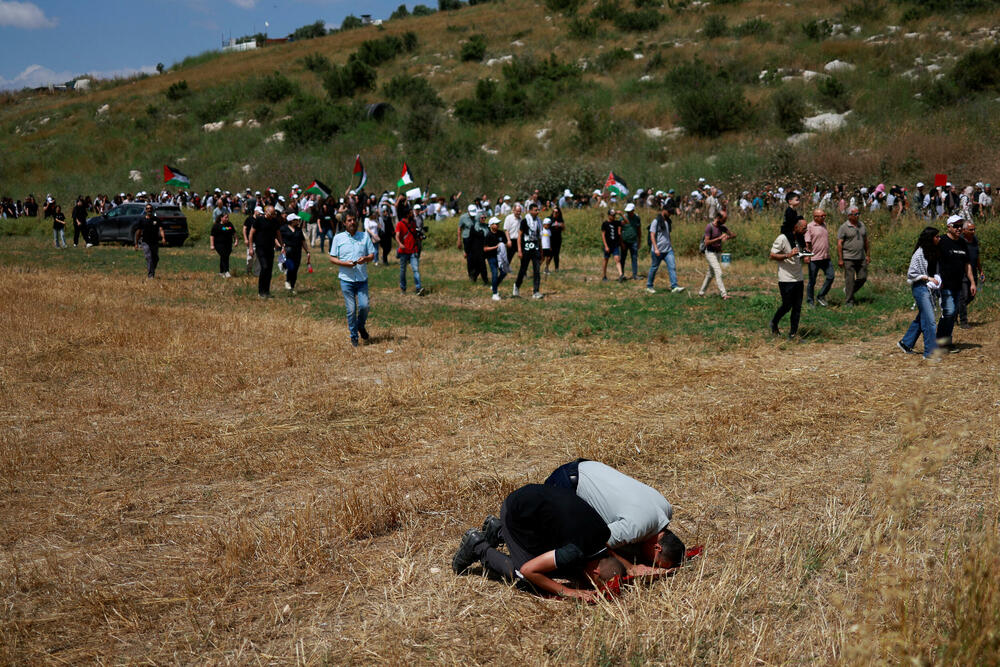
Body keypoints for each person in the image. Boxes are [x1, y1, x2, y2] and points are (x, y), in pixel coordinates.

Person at [451, 484, 626, 602]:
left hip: (536, 505)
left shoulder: (604, 532)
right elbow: (529, 570)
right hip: (516, 513)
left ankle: (499, 531)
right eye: (593, 582)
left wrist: (628, 567)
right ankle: (478, 546)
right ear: (595, 571)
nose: (589, 584)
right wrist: (570, 592)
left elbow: (607, 550)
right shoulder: (575, 551)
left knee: (560, 566)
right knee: (527, 580)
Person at [544, 460, 685, 571]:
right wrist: (630, 567)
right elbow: (596, 542)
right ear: (657, 548)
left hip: (589, 466)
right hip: (566, 481)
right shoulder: (635, 528)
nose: (651, 564)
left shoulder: (666, 509)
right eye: (655, 563)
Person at [329, 213, 376, 347]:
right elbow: (332, 258)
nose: (352, 222)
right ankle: (354, 336)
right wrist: (344, 263)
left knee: (364, 306)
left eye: (354, 220)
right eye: (349, 220)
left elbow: (372, 255)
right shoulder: (338, 238)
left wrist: (366, 259)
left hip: (361, 279)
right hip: (346, 279)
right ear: (344, 223)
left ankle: (360, 326)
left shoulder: (364, 236)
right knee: (351, 309)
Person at [898, 227, 942, 359]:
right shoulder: (919, 254)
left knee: (923, 317)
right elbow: (911, 273)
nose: (939, 238)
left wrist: (938, 279)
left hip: (930, 288)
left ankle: (906, 343)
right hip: (920, 288)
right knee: (930, 321)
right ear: (930, 238)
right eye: (937, 236)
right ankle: (929, 353)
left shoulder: (935, 251)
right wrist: (928, 278)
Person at [936, 215, 977, 351]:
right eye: (956, 226)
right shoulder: (941, 241)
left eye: (960, 226)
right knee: (949, 311)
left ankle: (946, 342)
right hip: (944, 284)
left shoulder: (962, 243)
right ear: (949, 227)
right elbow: (931, 259)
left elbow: (967, 264)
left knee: (952, 314)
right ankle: (940, 341)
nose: (959, 228)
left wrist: (972, 282)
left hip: (958, 284)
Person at [769, 216, 808, 338]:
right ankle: (774, 323)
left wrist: (806, 255)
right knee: (787, 305)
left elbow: (799, 254)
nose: (806, 230)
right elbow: (772, 255)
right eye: (804, 228)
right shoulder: (783, 238)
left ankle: (793, 334)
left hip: (798, 278)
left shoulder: (800, 238)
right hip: (786, 279)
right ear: (795, 227)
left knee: (797, 307)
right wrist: (788, 255)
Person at [646, 203, 683, 294]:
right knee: (654, 268)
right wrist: (656, 248)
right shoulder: (656, 221)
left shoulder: (668, 221)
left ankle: (674, 286)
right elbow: (652, 235)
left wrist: (670, 244)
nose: (670, 214)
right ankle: (649, 286)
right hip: (657, 250)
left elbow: (667, 235)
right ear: (664, 210)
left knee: (672, 267)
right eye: (669, 212)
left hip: (668, 250)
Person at [837, 207, 869, 307]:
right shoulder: (844, 227)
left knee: (863, 277)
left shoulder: (862, 225)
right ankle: (849, 301)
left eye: (858, 213)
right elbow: (839, 243)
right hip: (848, 258)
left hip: (861, 257)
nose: (858, 215)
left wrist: (867, 254)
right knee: (849, 280)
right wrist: (840, 259)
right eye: (855, 214)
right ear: (849, 216)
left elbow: (866, 241)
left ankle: (848, 291)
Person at [698, 210, 735, 299]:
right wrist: (719, 238)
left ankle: (701, 292)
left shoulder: (722, 227)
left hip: (718, 253)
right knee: (718, 271)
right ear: (718, 218)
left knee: (710, 274)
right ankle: (724, 294)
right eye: (724, 219)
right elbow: (706, 242)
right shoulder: (709, 227)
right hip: (710, 253)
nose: (725, 221)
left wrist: (727, 237)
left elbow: (734, 235)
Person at [248, 205, 281, 298]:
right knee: (264, 267)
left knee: (269, 270)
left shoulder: (275, 221)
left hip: (270, 248)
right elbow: (251, 233)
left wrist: (282, 245)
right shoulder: (259, 220)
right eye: (271, 214)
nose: (273, 215)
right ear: (266, 212)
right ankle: (261, 291)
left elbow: (278, 234)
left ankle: (267, 291)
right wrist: (250, 247)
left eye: (274, 214)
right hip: (260, 247)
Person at [804, 208, 835, 307]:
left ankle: (821, 296)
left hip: (825, 257)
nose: (824, 217)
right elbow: (807, 243)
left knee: (831, 276)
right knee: (812, 281)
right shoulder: (809, 227)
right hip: (814, 258)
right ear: (815, 217)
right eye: (822, 216)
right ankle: (810, 301)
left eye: (824, 215)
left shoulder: (824, 225)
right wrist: (806, 256)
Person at [514, 202, 543, 299]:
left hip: (535, 247)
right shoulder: (525, 221)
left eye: (538, 210)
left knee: (537, 270)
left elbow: (539, 238)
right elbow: (519, 235)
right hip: (526, 246)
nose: (537, 212)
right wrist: (519, 250)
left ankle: (536, 291)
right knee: (523, 269)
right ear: (530, 211)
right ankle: (517, 285)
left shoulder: (539, 221)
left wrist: (541, 251)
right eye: (535, 210)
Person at [957, 221, 981, 329]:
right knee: (963, 296)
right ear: (964, 230)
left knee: (971, 296)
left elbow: (977, 256)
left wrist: (981, 270)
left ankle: (954, 312)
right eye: (971, 230)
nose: (973, 231)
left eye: (974, 229)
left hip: (974, 272)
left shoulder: (975, 240)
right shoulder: (960, 241)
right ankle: (963, 322)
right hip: (962, 272)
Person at [279, 213, 310, 292]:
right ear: (292, 221)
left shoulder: (299, 230)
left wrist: (307, 251)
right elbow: (277, 238)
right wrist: (281, 246)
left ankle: (292, 287)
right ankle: (287, 281)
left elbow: (303, 241)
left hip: (297, 251)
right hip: (288, 251)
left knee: (295, 269)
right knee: (291, 267)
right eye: (296, 220)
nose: (298, 221)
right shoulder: (283, 229)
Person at [396, 210, 424, 296]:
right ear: (407, 214)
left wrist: (420, 238)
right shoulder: (400, 224)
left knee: (415, 269)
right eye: (411, 212)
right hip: (404, 251)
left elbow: (415, 234)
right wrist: (400, 244)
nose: (413, 214)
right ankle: (403, 288)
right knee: (403, 271)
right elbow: (397, 235)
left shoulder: (413, 223)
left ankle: (419, 288)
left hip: (413, 250)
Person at [134, 203, 166, 278]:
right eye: (147, 208)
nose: (149, 210)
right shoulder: (142, 220)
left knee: (155, 258)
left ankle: (152, 270)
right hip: (145, 242)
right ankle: (150, 275)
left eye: (150, 208)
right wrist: (136, 243)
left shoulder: (156, 220)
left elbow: (161, 229)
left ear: (152, 209)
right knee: (149, 257)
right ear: (145, 210)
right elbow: (138, 232)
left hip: (154, 241)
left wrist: (163, 238)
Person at [484, 216, 508, 301]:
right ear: (491, 225)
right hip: (491, 257)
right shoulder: (488, 235)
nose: (498, 225)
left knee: (504, 272)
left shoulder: (501, 233)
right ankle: (495, 294)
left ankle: (494, 285)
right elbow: (485, 248)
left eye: (498, 223)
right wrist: (495, 247)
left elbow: (505, 243)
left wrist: (503, 246)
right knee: (494, 273)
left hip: (500, 257)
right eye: (496, 224)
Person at [209, 212, 238, 277]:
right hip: (219, 244)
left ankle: (221, 272)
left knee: (225, 257)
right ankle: (226, 271)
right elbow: (212, 236)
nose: (227, 219)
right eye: (225, 217)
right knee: (224, 255)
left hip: (228, 244)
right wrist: (212, 245)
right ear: (221, 218)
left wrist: (236, 240)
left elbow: (234, 233)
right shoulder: (216, 226)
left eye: (228, 217)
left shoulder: (230, 224)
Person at [601, 209, 624, 282]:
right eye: (612, 215)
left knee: (617, 259)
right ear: (608, 216)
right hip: (608, 245)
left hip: (615, 245)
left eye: (614, 215)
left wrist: (621, 214)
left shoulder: (617, 223)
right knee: (606, 259)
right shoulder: (605, 224)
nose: (613, 217)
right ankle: (604, 275)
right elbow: (603, 235)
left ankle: (621, 275)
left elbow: (626, 222)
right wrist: (606, 246)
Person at [621, 203, 642, 280]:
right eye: (627, 212)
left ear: (633, 211)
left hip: (634, 241)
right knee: (623, 258)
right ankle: (621, 274)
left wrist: (639, 241)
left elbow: (639, 230)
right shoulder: (623, 218)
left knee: (634, 257)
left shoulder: (637, 218)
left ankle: (635, 275)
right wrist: (621, 242)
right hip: (624, 241)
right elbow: (619, 229)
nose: (628, 213)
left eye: (630, 211)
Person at [549, 204, 565, 270]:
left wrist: (562, 226)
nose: (555, 213)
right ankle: (546, 267)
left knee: (556, 254)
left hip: (558, 238)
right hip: (550, 239)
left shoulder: (560, 220)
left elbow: (564, 229)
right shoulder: (549, 219)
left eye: (556, 212)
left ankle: (556, 268)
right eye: (554, 212)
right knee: (550, 254)